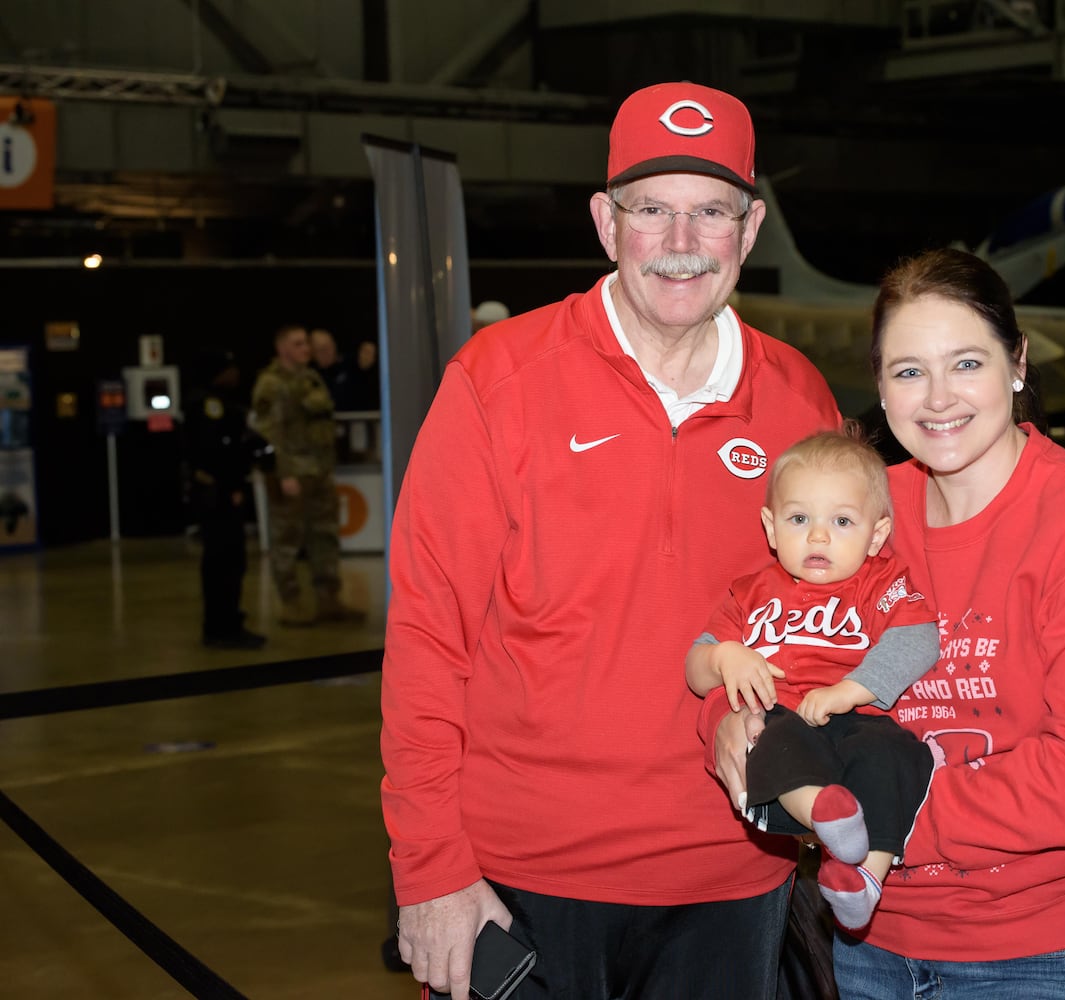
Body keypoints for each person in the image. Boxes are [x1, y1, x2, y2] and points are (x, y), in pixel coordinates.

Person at [381, 81, 841, 1000]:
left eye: (710, 212)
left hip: (731, 879)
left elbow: (840, 620)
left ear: (749, 231)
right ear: (605, 221)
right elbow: (428, 640)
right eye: (652, 212)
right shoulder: (497, 382)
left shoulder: (800, 403)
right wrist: (431, 870)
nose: (680, 245)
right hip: (522, 883)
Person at [707, 247, 1065, 999]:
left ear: (1018, 363)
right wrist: (728, 724)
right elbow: (764, 638)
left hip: (1043, 948)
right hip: (873, 941)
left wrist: (867, 820)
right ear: (878, 384)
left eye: (967, 363)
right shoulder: (859, 517)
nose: (938, 399)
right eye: (908, 372)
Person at [686, 425, 939, 931]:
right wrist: (726, 657)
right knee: (773, 741)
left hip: (858, 716)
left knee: (896, 755)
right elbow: (696, 668)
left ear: (877, 535)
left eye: (842, 521)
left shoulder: (882, 582)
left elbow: (918, 639)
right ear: (772, 528)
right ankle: (823, 813)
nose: (818, 536)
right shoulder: (749, 592)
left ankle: (866, 876)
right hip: (783, 715)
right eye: (799, 518)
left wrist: (851, 690)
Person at [250, 324, 365, 627]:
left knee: (325, 536)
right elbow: (270, 434)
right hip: (292, 475)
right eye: (298, 344)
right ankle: (291, 603)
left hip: (319, 472)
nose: (306, 349)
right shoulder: (271, 384)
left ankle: (329, 600)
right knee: (287, 540)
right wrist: (283, 474)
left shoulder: (311, 378)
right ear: (282, 349)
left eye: (306, 344)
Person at [183, 348, 265, 650]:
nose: (236, 374)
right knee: (222, 562)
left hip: (225, 492)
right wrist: (231, 485)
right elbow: (214, 452)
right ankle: (220, 627)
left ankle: (229, 622)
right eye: (230, 369)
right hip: (216, 494)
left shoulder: (225, 403)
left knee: (233, 561)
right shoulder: (207, 404)